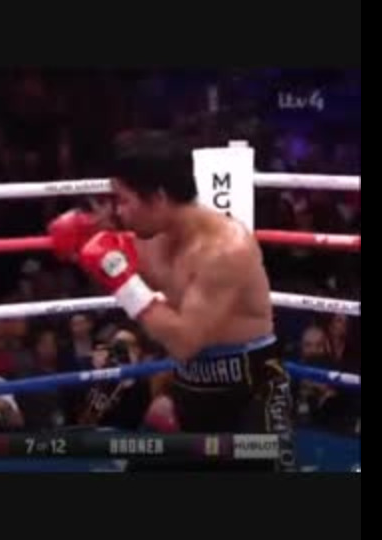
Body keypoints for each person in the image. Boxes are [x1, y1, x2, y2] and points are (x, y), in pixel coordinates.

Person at [47, 130, 295, 471]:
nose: (118, 211)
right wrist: (83, 239)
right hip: (189, 388)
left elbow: (184, 341)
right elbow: (121, 269)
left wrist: (121, 279)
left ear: (159, 197)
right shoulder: (151, 236)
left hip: (250, 394)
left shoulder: (224, 250)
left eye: (123, 200)